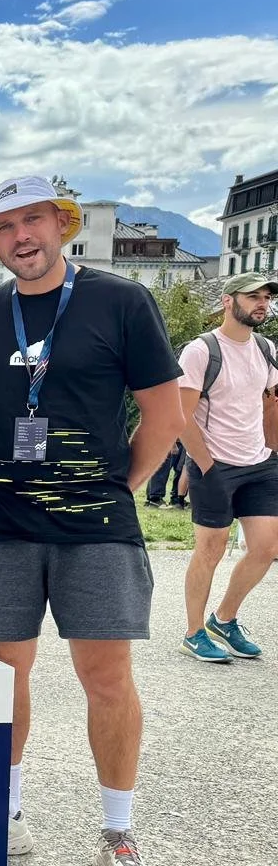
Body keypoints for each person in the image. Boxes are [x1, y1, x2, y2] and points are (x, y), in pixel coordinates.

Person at [0, 175, 183, 866]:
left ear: (61, 224)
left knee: (107, 678)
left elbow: (163, 413)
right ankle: (6, 810)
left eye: (33, 221)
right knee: (1, 676)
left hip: (97, 528)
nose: (22, 237)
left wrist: (118, 486)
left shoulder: (121, 299)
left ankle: (117, 835)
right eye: (6, 228)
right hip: (2, 525)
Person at [176, 272, 278, 662]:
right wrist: (205, 463)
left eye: (266, 297)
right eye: (254, 296)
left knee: (267, 546)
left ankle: (225, 618)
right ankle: (194, 631)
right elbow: (181, 417)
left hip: (259, 463)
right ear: (228, 300)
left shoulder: (266, 348)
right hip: (215, 464)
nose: (262, 304)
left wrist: (272, 450)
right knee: (210, 549)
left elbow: (269, 402)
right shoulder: (201, 351)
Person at [144, 440, 189, 509]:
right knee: (162, 467)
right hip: (169, 439)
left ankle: (176, 499)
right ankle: (155, 498)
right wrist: (172, 443)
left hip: (182, 440)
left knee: (180, 469)